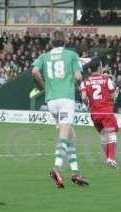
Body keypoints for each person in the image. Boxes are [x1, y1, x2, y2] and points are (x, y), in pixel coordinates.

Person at [32, 31, 88, 188]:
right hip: (65, 99)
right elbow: (78, 77)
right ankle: (56, 169)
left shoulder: (44, 56)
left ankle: (76, 173)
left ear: (51, 42)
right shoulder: (71, 55)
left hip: (51, 101)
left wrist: (45, 86)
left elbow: (34, 72)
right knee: (64, 136)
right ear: (65, 41)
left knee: (71, 137)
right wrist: (77, 83)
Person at [80, 59, 119, 168]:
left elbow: (83, 97)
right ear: (99, 67)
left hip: (94, 112)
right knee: (111, 134)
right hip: (106, 111)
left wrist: (88, 104)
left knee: (103, 135)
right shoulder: (107, 79)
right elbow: (112, 95)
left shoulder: (85, 81)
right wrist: (113, 98)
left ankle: (108, 158)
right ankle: (111, 158)